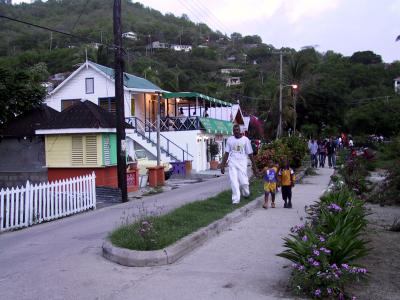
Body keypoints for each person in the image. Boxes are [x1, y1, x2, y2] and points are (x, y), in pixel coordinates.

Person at [220, 124, 258, 205]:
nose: (236, 131)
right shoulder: (230, 140)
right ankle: (235, 200)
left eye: (237, 130)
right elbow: (226, 153)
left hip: (242, 162)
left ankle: (246, 193)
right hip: (232, 162)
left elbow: (250, 154)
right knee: (234, 181)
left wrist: (254, 166)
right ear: (233, 131)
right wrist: (222, 165)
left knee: (244, 182)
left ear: (240, 131)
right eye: (234, 130)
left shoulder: (245, 140)